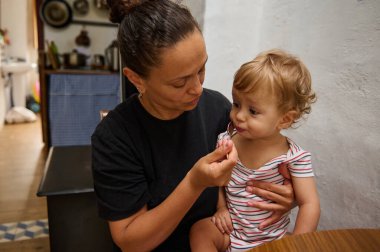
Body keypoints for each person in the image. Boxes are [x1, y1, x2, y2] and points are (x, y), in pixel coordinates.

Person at [91, 1, 295, 251]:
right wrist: (194, 183)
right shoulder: (115, 137)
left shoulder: (219, 109)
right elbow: (131, 242)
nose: (197, 88)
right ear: (136, 79)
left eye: (201, 69)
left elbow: (262, 159)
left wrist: (286, 197)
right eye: (180, 83)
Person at [189, 49, 321, 252]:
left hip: (272, 238)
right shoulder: (227, 141)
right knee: (199, 231)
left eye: (252, 111)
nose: (238, 116)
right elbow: (218, 182)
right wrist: (221, 207)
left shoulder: (294, 158)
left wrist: (297, 243)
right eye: (236, 104)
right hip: (231, 232)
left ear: (284, 119)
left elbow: (309, 204)